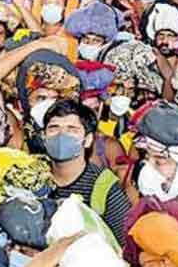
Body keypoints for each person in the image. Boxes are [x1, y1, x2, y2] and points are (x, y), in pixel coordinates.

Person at [43, 100, 131, 245]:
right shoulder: (29, 175)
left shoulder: (104, 187)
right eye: (53, 128)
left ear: (88, 140)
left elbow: (123, 245)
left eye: (72, 129)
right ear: (44, 137)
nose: (61, 135)